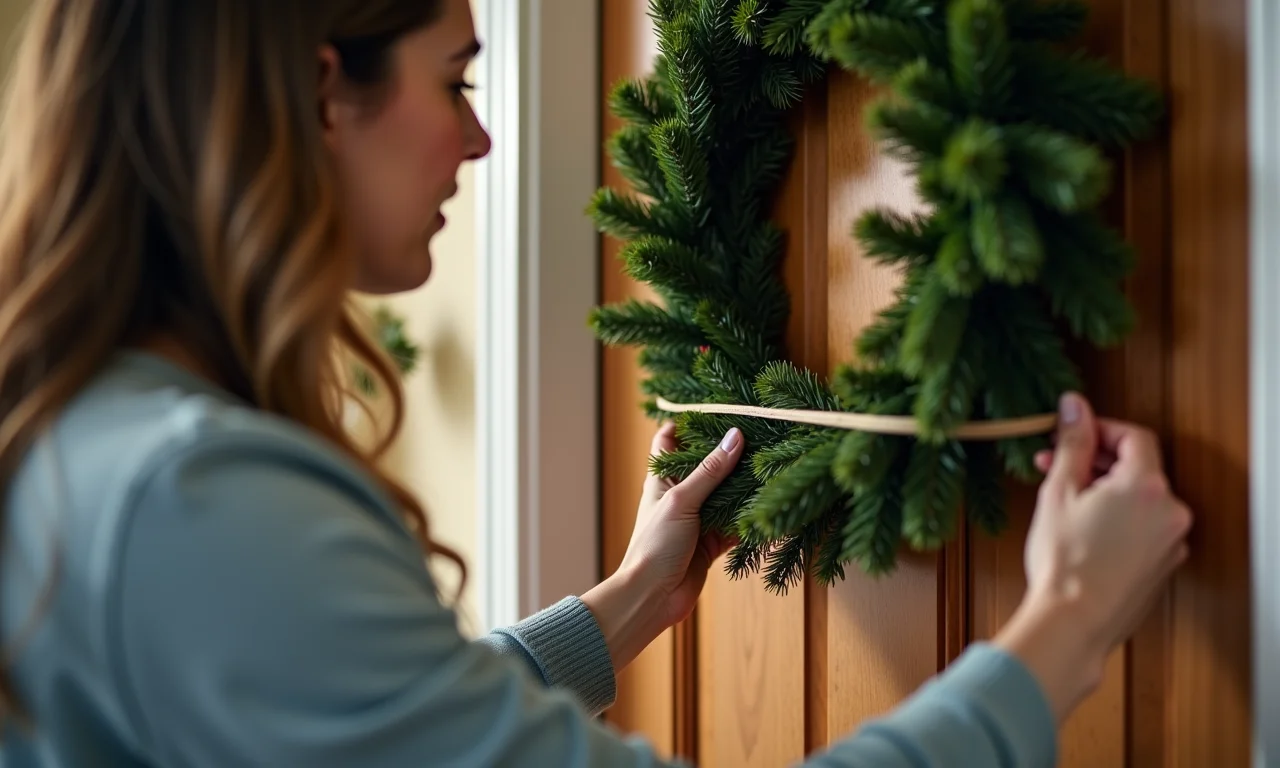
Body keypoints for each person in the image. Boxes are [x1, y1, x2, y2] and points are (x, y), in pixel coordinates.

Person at [0, 0, 1193, 765]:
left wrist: (623, 606)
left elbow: (362, 731)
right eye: (457, 79)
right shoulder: (196, 498)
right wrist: (1066, 626)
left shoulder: (93, 445)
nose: (478, 142)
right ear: (321, 88)